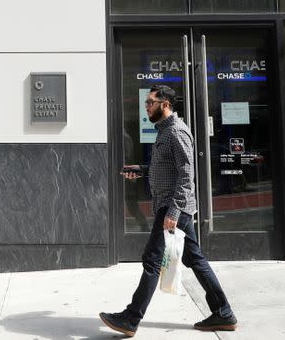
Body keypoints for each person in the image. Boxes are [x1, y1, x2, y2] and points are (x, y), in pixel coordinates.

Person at [100, 85, 237, 336]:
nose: (146, 106)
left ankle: (131, 318)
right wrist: (142, 169)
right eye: (146, 103)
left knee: (152, 261)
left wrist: (174, 211)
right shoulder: (164, 132)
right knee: (194, 259)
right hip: (173, 206)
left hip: (173, 207)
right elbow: (167, 168)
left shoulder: (177, 132)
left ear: (165, 104)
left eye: (150, 102)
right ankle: (224, 312)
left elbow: (187, 176)